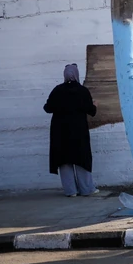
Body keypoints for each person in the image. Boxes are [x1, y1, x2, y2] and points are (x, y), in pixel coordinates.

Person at [44, 64, 99, 197]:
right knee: (81, 159)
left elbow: (48, 108)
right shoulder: (82, 91)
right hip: (78, 131)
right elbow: (91, 111)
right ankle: (87, 189)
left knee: (64, 160)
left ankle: (71, 191)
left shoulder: (57, 90)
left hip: (60, 131)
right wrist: (94, 105)